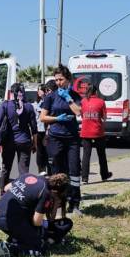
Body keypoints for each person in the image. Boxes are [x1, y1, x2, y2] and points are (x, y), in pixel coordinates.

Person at [0, 172, 73, 257]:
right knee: (41, 247)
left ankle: (18, 238)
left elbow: (6, 187)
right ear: (56, 192)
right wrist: (43, 233)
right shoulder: (45, 192)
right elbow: (36, 222)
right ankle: (12, 248)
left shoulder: (28, 175)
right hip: (8, 221)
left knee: (63, 224)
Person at [39, 64, 83, 214]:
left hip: (72, 139)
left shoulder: (75, 96)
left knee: (74, 170)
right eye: (56, 80)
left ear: (68, 79)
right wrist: (57, 118)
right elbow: (42, 117)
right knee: (58, 172)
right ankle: (57, 202)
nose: (58, 83)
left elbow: (78, 112)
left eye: (61, 79)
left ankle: (75, 203)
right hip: (55, 138)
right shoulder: (50, 97)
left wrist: (68, 98)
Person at [0, 82, 38, 190]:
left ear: (12, 93)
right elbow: (34, 128)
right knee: (24, 171)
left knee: (5, 168)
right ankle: (23, 194)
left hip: (9, 142)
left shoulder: (6, 105)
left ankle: (3, 193)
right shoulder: (29, 106)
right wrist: (35, 144)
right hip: (24, 141)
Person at [79, 82, 112, 183]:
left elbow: (81, 115)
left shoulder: (83, 101)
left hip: (85, 132)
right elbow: (104, 118)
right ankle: (104, 175)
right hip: (98, 132)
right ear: (96, 92)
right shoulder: (101, 102)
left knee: (86, 155)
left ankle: (84, 177)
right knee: (101, 154)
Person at [33, 83, 50, 175]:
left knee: (47, 151)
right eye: (38, 90)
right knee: (39, 152)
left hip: (46, 130)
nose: (39, 92)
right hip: (38, 130)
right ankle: (41, 171)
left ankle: (49, 170)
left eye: (41, 90)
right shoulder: (37, 103)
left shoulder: (48, 101)